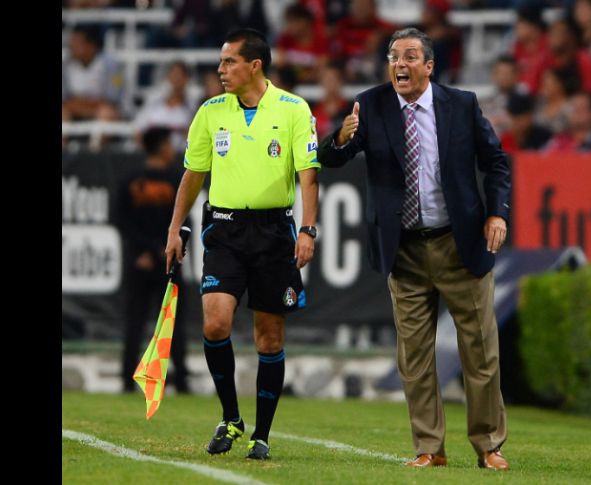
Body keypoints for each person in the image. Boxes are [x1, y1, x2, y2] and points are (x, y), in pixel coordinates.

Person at [318, 28, 510, 471]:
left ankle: (489, 446)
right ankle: (430, 447)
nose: (399, 65)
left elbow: (495, 161)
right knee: (414, 356)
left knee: (480, 350)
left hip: (458, 243)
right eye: (392, 57)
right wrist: (343, 138)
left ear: (428, 65)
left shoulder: (461, 105)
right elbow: (330, 159)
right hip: (403, 248)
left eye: (408, 57)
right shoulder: (372, 104)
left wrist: (497, 213)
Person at [164, 28, 320, 460]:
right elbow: (193, 174)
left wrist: (308, 229)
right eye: (220, 62)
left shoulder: (292, 109)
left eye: (229, 61)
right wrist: (175, 227)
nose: (220, 70)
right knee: (215, 323)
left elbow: (309, 173)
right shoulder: (211, 111)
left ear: (255, 65)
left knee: (268, 337)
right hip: (225, 231)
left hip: (274, 234)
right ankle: (231, 417)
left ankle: (262, 434)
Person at [117, 127, 190, 395]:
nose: (173, 149)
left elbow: (123, 222)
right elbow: (183, 221)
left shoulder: (130, 181)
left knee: (137, 319)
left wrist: (143, 252)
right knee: (172, 321)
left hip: (142, 260)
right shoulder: (176, 181)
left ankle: (129, 379)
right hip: (163, 259)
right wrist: (158, 249)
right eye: (169, 144)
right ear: (161, 147)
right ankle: (180, 380)